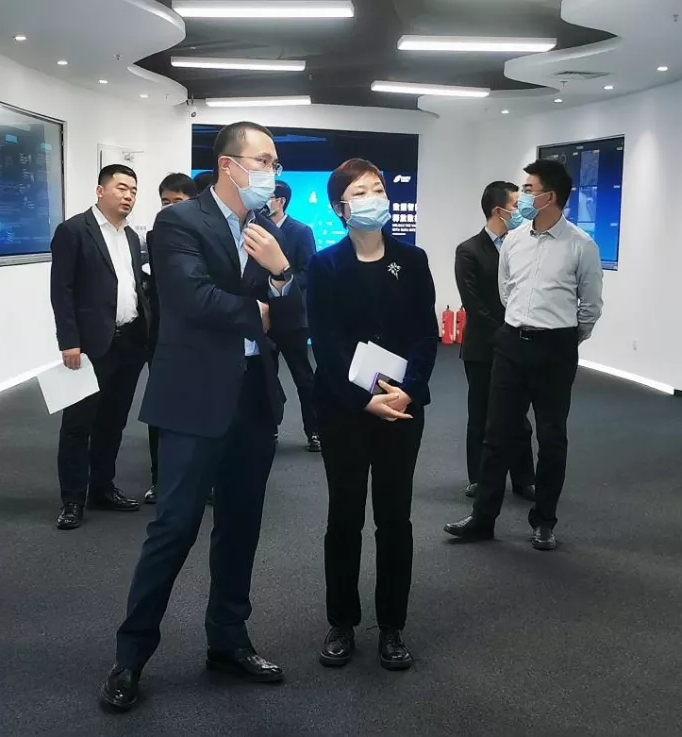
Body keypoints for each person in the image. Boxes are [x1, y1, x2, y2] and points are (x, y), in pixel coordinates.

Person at [100, 121, 298, 712]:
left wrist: (282, 275)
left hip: (253, 398)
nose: (272, 171)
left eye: (275, 162)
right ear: (229, 165)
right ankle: (131, 656)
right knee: (175, 527)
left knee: (241, 525)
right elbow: (191, 299)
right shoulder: (179, 221)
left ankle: (228, 641)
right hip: (193, 398)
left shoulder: (266, 231)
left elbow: (295, 309)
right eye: (263, 160)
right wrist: (264, 307)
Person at [308, 158, 437, 671]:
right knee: (344, 516)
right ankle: (341, 621)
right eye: (360, 192)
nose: (373, 199)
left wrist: (409, 391)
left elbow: (425, 334)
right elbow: (327, 344)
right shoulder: (325, 265)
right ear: (340, 208)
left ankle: (392, 626)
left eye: (377, 189)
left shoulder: (413, 259)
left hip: (401, 409)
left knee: (394, 517)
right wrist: (363, 399)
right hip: (345, 409)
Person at [444, 160, 604, 551]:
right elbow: (506, 291)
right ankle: (483, 518)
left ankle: (544, 522)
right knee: (497, 433)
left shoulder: (581, 245)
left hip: (555, 349)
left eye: (529, 190)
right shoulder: (515, 241)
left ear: (550, 196)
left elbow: (590, 306)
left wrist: (565, 338)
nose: (524, 197)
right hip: (511, 344)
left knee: (551, 438)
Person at [50, 164, 151, 530]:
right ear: (100, 190)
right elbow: (61, 290)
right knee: (78, 425)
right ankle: (73, 499)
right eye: (122, 188)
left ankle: (102, 488)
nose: (128, 196)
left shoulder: (131, 237)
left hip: (129, 342)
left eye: (133, 190)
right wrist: (69, 341)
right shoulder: (74, 231)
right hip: (90, 346)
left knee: (113, 421)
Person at [455, 182, 535, 501]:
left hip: (519, 346)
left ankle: (524, 479)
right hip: (483, 348)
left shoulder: (525, 246)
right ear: (498, 210)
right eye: (516, 205)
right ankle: (480, 478)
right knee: (481, 415)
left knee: (518, 416)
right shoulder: (469, 250)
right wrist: (504, 336)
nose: (521, 210)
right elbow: (474, 305)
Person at [143, 173, 198, 505]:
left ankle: (201, 480)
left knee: (200, 409)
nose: (170, 208)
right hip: (163, 336)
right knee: (161, 410)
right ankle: (159, 479)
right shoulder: (153, 237)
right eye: (165, 202)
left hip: (201, 337)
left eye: (178, 202)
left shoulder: (210, 236)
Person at [267, 180, 321, 452]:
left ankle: (314, 431)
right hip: (263, 317)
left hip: (293, 318)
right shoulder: (255, 229)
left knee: (303, 377)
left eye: (268, 196)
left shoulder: (301, 231)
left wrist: (279, 280)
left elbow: (309, 273)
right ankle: (269, 428)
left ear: (281, 201)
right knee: (265, 377)